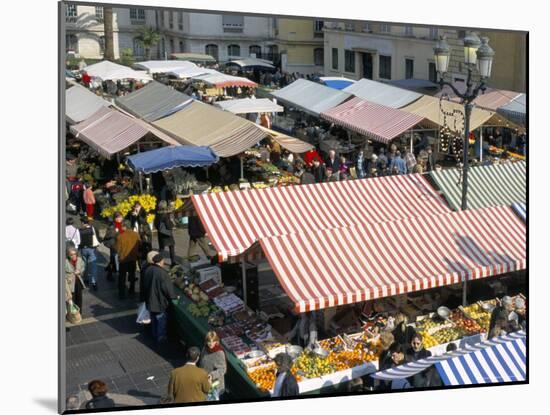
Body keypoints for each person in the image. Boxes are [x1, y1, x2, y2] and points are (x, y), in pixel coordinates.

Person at [142, 254, 178, 343]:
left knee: (153, 319)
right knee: (160, 320)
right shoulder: (162, 273)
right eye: (163, 261)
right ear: (160, 261)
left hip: (150, 300)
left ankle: (154, 335)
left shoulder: (147, 270)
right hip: (159, 302)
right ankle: (161, 339)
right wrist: (174, 297)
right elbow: (167, 289)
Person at [114, 220, 140, 299]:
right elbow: (139, 244)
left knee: (122, 277)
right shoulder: (136, 235)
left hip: (123, 259)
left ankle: (121, 294)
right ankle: (132, 290)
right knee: (132, 275)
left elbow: (117, 249)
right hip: (133, 258)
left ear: (124, 226)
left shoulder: (120, 236)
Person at [198, 331, 227, 400]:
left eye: (213, 341)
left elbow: (223, 369)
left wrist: (212, 375)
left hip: (215, 385)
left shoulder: (219, 352)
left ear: (216, 341)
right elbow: (201, 362)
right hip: (204, 381)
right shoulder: (205, 348)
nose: (211, 344)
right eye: (209, 341)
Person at [78, 216, 100, 290]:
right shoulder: (93, 229)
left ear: (83, 222)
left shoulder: (79, 230)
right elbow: (98, 237)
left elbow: (78, 241)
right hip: (92, 249)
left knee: (85, 264)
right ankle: (94, 282)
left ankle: (86, 279)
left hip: (83, 249)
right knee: (93, 265)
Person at [103, 212, 123, 282]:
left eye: (121, 217)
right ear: (115, 218)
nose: (120, 219)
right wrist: (115, 234)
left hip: (121, 246)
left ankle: (110, 272)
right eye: (118, 217)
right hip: (114, 247)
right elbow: (107, 237)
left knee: (114, 261)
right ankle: (111, 274)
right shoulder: (112, 226)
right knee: (113, 261)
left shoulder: (123, 224)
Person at [155, 201, 176, 266]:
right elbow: (168, 226)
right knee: (171, 247)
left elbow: (155, 224)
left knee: (161, 248)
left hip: (160, 234)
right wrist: (172, 222)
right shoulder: (165, 215)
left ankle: (158, 261)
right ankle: (173, 262)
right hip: (167, 234)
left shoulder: (157, 214)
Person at [65, 247, 86, 315]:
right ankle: (72, 314)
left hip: (78, 282)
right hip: (70, 283)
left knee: (79, 298)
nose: (74, 256)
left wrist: (80, 271)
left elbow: (83, 266)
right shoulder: (65, 262)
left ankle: (79, 313)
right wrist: (69, 276)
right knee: (71, 299)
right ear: (68, 255)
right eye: (71, 255)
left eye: (75, 254)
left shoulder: (79, 260)